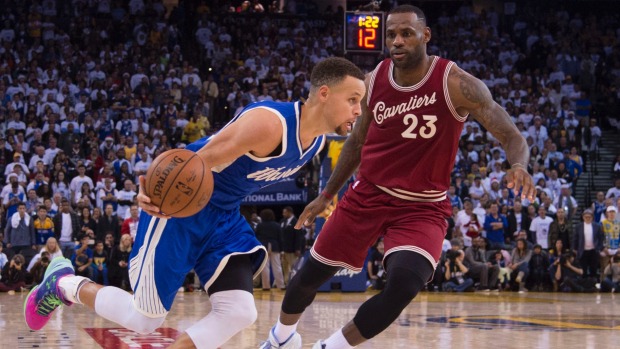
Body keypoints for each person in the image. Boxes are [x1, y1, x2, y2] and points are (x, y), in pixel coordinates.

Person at [24, 57, 367, 349]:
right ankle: (63, 284)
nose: (358, 109)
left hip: (223, 217)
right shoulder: (269, 124)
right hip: (182, 210)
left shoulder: (317, 141)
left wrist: (326, 197)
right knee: (144, 320)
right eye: (353, 99)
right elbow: (193, 161)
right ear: (324, 94)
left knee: (239, 311)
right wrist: (154, 190)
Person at [261, 5, 535, 349]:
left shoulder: (457, 83)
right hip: (368, 195)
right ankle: (281, 338)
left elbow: (512, 135)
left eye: (406, 33)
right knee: (307, 278)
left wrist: (519, 166)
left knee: (404, 284)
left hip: (423, 207)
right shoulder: (374, 80)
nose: (397, 41)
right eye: (391, 34)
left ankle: (329, 347)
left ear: (426, 35)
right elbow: (357, 142)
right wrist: (326, 194)